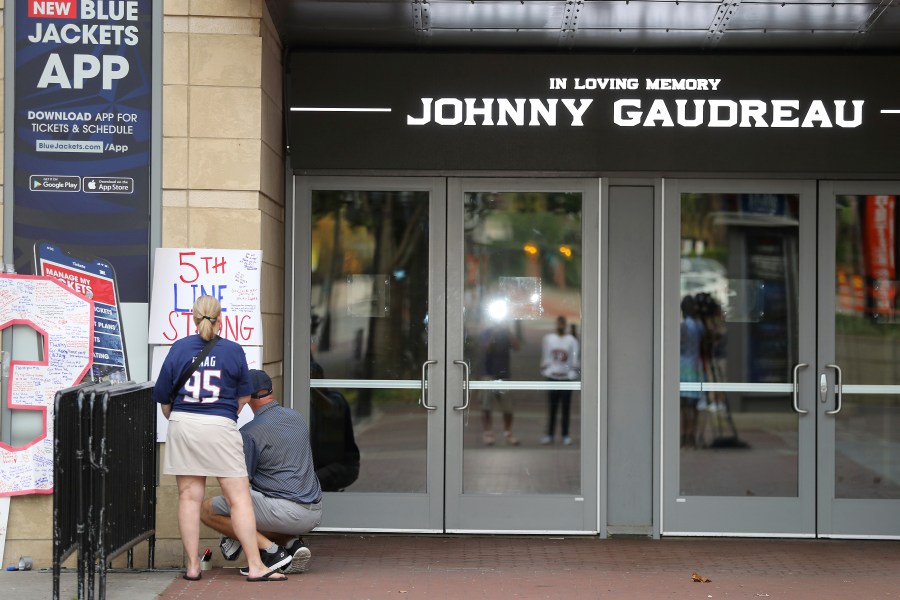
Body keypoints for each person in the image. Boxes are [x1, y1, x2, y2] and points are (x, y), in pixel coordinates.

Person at [152, 296, 288, 582]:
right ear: (220, 319)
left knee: (189, 497)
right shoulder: (233, 350)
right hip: (220, 425)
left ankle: (191, 566)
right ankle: (255, 565)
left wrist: (181, 419)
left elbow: (164, 399)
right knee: (239, 499)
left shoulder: (178, 349)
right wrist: (225, 415)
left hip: (183, 425)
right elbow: (244, 397)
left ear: (193, 318)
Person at [201, 369, 323, 575]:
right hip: (314, 511)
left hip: (285, 511)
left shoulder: (249, 432)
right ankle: (291, 544)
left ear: (246, 395)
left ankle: (272, 552)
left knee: (207, 509)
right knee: (251, 507)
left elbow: (239, 484)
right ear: (272, 389)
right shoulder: (296, 417)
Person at [310, 360, 361, 491]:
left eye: (313, 378)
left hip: (343, 465)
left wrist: (311, 388)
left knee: (308, 482)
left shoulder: (336, 400)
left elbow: (331, 410)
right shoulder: (307, 405)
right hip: (318, 467)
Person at [479, 317, 521, 446]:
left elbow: (517, 347)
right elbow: (486, 349)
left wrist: (508, 331)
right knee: (486, 406)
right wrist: (494, 334)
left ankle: (508, 433)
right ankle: (488, 433)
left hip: (504, 374)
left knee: (508, 407)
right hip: (488, 373)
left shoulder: (507, 333)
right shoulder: (487, 332)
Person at [539, 316, 580, 445]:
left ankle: (565, 434)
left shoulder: (571, 341)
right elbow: (546, 356)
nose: (560, 326)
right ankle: (550, 434)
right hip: (553, 378)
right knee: (552, 408)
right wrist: (547, 371)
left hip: (566, 379)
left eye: (562, 324)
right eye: (558, 323)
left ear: (565, 325)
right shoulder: (549, 339)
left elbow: (575, 359)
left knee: (565, 409)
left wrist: (572, 373)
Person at [680, 294, 706, 449]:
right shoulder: (699, 326)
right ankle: (692, 435)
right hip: (695, 365)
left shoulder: (683, 326)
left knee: (684, 406)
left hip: (683, 365)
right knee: (693, 405)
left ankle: (684, 435)